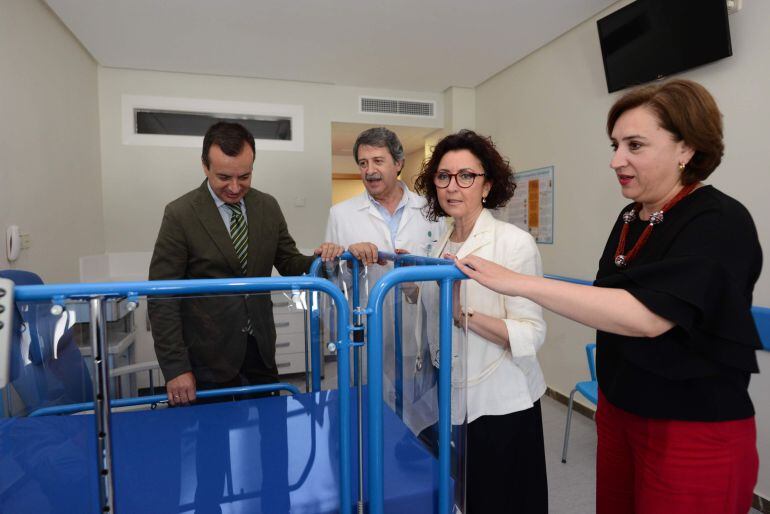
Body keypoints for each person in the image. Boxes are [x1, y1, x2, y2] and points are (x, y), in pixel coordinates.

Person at [454, 80, 762, 514]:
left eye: (634, 145)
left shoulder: (719, 220)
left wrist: (517, 282)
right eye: (615, 145)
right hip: (620, 409)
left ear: (687, 148)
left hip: (690, 423)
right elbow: (607, 299)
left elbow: (648, 317)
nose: (617, 160)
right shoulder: (631, 216)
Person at [148, 121, 342, 405]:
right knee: (215, 442)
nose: (235, 187)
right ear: (205, 166)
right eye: (224, 177)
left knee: (273, 434)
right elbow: (162, 297)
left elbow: (289, 262)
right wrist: (176, 368)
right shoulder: (180, 214)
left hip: (260, 348)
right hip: (207, 355)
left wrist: (323, 260)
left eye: (245, 176)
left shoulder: (267, 206)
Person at [413, 130, 548, 513]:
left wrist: (463, 316)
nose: (452, 187)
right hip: (452, 393)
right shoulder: (439, 243)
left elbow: (531, 332)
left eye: (466, 176)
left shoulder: (513, 243)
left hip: (502, 401)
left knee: (500, 500)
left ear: (487, 185)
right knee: (463, 496)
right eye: (443, 176)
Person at [324, 127, 442, 263]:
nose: (369, 171)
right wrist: (353, 265)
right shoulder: (339, 214)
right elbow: (331, 275)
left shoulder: (432, 210)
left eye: (378, 161)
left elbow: (443, 270)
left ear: (398, 164)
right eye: (363, 163)